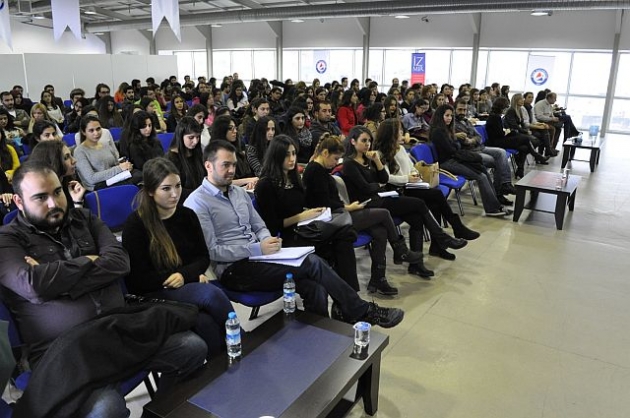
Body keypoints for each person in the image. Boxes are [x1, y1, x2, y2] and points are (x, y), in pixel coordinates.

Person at [0, 163, 207, 417]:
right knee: (107, 408)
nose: (53, 203)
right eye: (40, 197)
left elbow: (120, 263)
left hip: (116, 329)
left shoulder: (84, 219)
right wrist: (90, 261)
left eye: (57, 192)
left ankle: (158, 413)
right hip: (64, 351)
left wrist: (54, 278)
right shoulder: (7, 240)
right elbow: (33, 286)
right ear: (19, 202)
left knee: (192, 348)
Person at [184, 140, 404, 328]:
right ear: (208, 165)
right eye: (225, 165)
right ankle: (361, 310)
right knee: (312, 262)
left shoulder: (238, 193)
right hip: (234, 269)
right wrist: (258, 248)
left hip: (260, 257)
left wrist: (266, 241)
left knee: (315, 286)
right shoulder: (198, 202)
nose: (232, 170)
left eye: (233, 164)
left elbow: (259, 225)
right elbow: (213, 251)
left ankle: (322, 335)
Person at [123, 158, 233, 359]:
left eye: (178, 186)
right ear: (150, 191)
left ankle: (229, 358)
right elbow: (137, 281)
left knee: (206, 322)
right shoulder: (135, 225)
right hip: (154, 293)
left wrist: (185, 276)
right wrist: (186, 278)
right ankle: (240, 340)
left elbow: (202, 257)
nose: (175, 194)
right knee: (211, 295)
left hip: (184, 285)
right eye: (166, 188)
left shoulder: (187, 215)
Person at [303, 134, 424, 294]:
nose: (336, 163)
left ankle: (378, 279)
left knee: (380, 231)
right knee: (384, 214)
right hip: (331, 219)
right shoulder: (316, 171)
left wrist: (347, 207)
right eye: (335, 159)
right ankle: (399, 250)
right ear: (325, 153)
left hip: (338, 213)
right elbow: (323, 203)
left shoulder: (321, 169)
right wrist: (348, 207)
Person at [342, 126, 467, 275]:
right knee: (419, 203)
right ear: (353, 141)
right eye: (363, 140)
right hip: (369, 203)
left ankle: (416, 265)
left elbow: (383, 178)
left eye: (369, 140)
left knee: (416, 218)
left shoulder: (368, 159)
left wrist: (376, 161)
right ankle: (441, 237)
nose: (367, 144)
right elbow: (366, 188)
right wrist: (379, 185)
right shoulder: (349, 163)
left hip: (382, 196)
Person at [254, 135, 363, 292]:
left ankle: (349, 297)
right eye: (286, 154)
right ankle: (350, 298)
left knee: (344, 239)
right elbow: (272, 226)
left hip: (305, 229)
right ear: (276, 156)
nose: (292, 159)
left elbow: (302, 204)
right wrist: (302, 216)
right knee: (343, 239)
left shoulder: (293, 178)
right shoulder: (266, 185)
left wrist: (313, 213)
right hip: (288, 237)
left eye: (293, 153)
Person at [373, 118, 480, 260]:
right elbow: (387, 178)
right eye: (399, 131)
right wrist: (407, 178)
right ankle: (452, 230)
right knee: (434, 196)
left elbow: (411, 167)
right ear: (390, 134)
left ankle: (440, 244)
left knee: (435, 201)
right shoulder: (380, 153)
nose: (402, 133)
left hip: (409, 184)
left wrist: (415, 174)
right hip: (398, 189)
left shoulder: (401, 149)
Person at [430, 104, 510, 217]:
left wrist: (456, 144)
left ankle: (496, 203)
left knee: (483, 171)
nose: (449, 118)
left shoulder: (446, 129)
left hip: (455, 158)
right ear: (440, 116)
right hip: (446, 163)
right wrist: (456, 144)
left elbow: (455, 147)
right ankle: (491, 209)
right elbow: (451, 149)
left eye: (451, 116)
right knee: (480, 176)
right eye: (447, 115)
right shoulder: (438, 132)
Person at [453, 99, 516, 204]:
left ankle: (505, 183)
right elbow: (461, 142)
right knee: (498, 161)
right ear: (454, 109)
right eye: (460, 109)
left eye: (464, 110)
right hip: (469, 152)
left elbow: (479, 137)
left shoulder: (467, 121)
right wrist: (471, 140)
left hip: (479, 147)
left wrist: (472, 140)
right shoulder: (453, 124)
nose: (462, 112)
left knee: (501, 153)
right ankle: (498, 194)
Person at [486, 97, 549, 178]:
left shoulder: (496, 116)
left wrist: (508, 131)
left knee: (524, 148)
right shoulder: (495, 117)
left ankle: (520, 170)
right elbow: (499, 134)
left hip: (499, 138)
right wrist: (507, 131)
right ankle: (537, 156)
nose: (506, 109)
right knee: (525, 138)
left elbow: (499, 131)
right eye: (506, 107)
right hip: (496, 141)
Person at [74, 115, 139, 191]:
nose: (96, 133)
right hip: (99, 186)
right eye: (91, 130)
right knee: (137, 180)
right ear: (83, 132)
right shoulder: (79, 151)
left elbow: (115, 164)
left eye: (98, 129)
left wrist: (125, 166)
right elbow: (91, 179)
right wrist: (119, 168)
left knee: (139, 175)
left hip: (115, 177)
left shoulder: (104, 144)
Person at [28, 140, 86, 209]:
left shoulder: (70, 182)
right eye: (66, 157)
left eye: (71, 155)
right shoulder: (44, 197)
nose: (74, 160)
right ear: (53, 162)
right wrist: (78, 203)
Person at [210, 114, 258, 189]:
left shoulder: (238, 150)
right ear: (221, 130)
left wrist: (252, 182)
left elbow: (248, 174)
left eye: (235, 128)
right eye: (230, 128)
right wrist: (248, 180)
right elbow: (221, 182)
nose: (235, 131)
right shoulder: (216, 153)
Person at [165, 116, 205, 201]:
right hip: (185, 201)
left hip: (202, 197)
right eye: (191, 137)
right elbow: (174, 190)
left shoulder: (197, 152)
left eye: (198, 137)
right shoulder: (171, 160)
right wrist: (201, 194)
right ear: (181, 136)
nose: (195, 141)